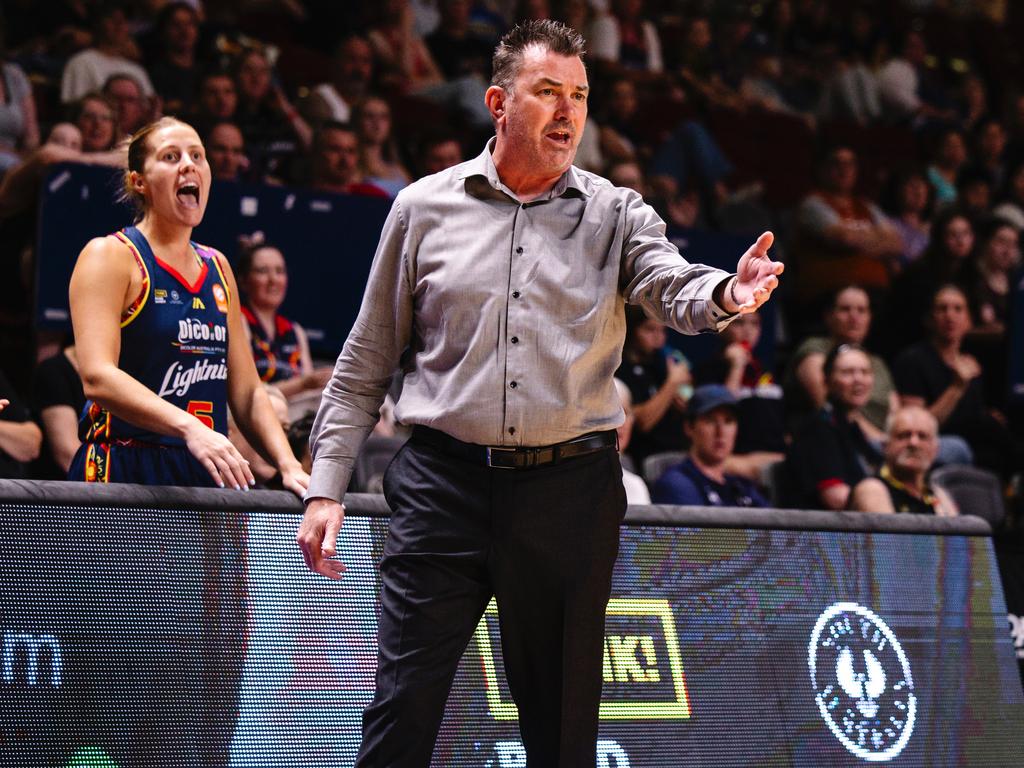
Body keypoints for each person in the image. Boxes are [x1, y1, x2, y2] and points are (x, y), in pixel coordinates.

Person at [296, 20, 782, 767]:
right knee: (402, 708)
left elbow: (673, 285)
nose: (567, 111)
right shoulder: (422, 208)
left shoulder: (615, 212)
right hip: (441, 487)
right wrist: (325, 486)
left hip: (568, 496)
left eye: (579, 95)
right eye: (547, 91)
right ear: (498, 101)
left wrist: (727, 291)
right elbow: (366, 357)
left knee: (560, 734)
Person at [67, 116, 308, 494]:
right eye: (170, 156)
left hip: (205, 466)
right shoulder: (110, 255)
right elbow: (97, 376)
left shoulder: (218, 266)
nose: (188, 165)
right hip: (123, 465)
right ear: (139, 182)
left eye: (197, 155)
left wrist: (288, 465)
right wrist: (190, 427)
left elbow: (246, 392)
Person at [786, 344, 883, 511]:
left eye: (865, 372)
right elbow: (836, 498)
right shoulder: (818, 428)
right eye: (847, 372)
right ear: (827, 381)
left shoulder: (853, 428)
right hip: (823, 533)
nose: (858, 379)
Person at [235, 236, 332, 400]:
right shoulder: (239, 321)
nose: (273, 280)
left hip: (298, 412)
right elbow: (246, 393)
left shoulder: (295, 330)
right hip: (259, 412)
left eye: (279, 271)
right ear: (244, 281)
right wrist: (303, 384)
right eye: (262, 271)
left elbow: (307, 391)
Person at [651, 384, 770, 507]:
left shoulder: (741, 486)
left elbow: (771, 522)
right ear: (689, 428)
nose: (721, 432)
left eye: (728, 421)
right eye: (710, 420)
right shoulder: (676, 483)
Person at [848, 405, 959, 516]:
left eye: (922, 436)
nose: (914, 443)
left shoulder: (938, 494)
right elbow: (888, 533)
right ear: (884, 446)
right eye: (904, 435)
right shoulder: (872, 490)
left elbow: (958, 532)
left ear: (935, 450)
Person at [613, 377, 651, 504]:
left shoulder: (636, 486)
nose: (620, 422)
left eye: (625, 413)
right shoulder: (571, 483)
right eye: (612, 413)